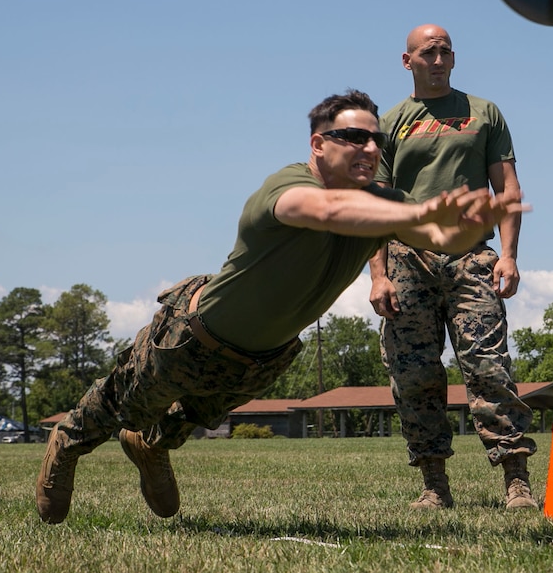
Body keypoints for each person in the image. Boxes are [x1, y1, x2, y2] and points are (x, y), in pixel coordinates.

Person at [35, 89, 525, 525]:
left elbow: (435, 236)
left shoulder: (382, 200)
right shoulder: (288, 185)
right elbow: (326, 212)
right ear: (318, 145)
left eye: (375, 140)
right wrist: (417, 212)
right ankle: (66, 447)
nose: (370, 149)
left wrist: (470, 225)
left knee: (194, 416)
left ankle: (150, 447)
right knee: (118, 406)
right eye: (353, 137)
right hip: (193, 335)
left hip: (261, 358)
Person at [368, 24, 537, 511]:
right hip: (407, 260)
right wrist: (378, 275)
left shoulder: (483, 113)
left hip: (471, 258)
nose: (438, 59)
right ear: (408, 61)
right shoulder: (392, 123)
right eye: (428, 52)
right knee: (415, 375)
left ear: (454, 58)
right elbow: (376, 206)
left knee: (488, 367)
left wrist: (509, 255)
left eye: (445, 51)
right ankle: (434, 485)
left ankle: (516, 481)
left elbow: (507, 188)